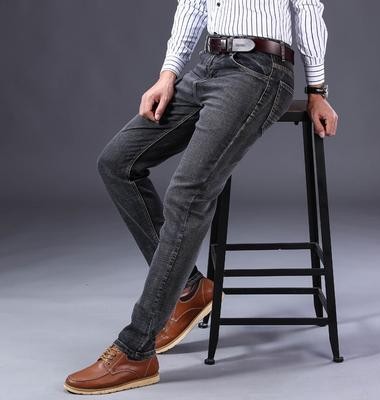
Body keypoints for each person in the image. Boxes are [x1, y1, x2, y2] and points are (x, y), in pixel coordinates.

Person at [64, 0, 338, 395]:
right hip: (208, 66)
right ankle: (191, 290)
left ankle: (136, 350)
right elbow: (192, 6)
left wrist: (317, 89)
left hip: (260, 72)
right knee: (117, 162)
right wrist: (168, 73)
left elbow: (308, 9)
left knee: (187, 193)